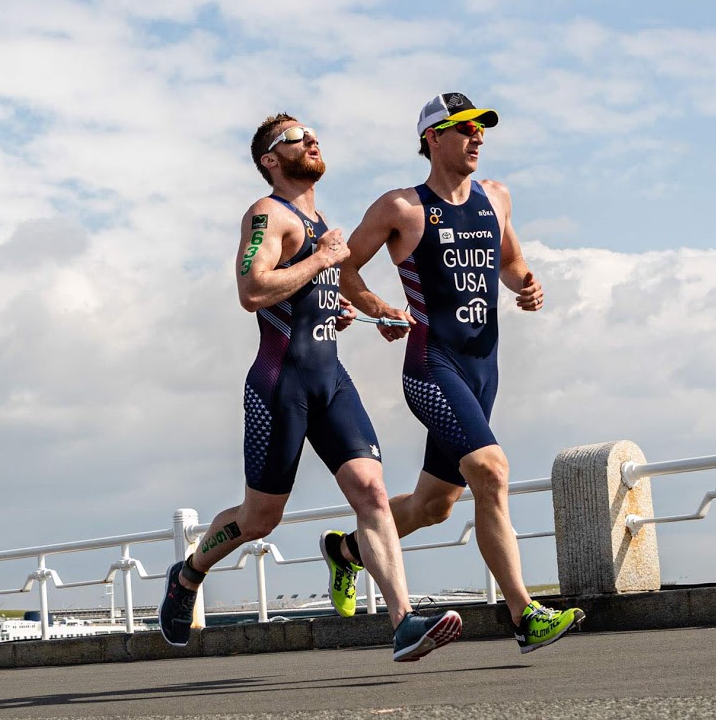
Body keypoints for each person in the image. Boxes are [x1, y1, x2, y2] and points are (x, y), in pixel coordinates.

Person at [158, 113, 462, 663]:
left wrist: (373, 310)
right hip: (281, 385)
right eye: (296, 138)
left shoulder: (320, 221)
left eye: (313, 134)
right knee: (260, 518)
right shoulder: (266, 215)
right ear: (271, 160)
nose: (312, 140)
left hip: (332, 380)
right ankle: (188, 574)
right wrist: (321, 260)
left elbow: (326, 287)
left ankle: (403, 623)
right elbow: (253, 290)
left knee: (371, 490)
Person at [325, 92, 584, 654]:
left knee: (433, 507)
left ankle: (345, 551)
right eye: (465, 129)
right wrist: (380, 310)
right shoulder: (401, 207)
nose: (478, 138)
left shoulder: (496, 197)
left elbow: (510, 262)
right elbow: (345, 271)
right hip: (431, 365)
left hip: (483, 369)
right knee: (491, 470)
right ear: (432, 139)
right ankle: (524, 616)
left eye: (482, 129)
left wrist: (527, 284)